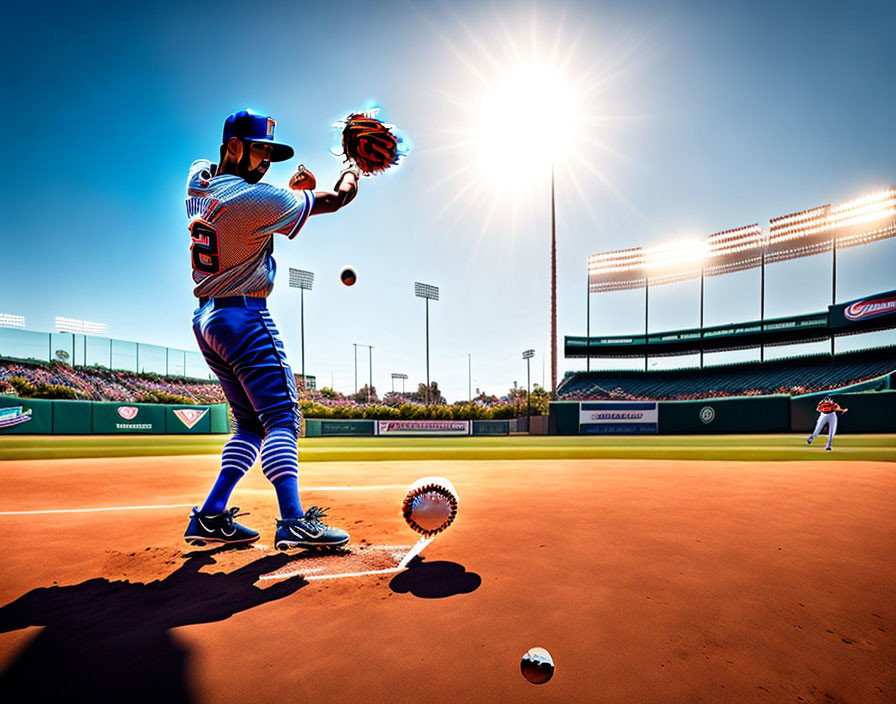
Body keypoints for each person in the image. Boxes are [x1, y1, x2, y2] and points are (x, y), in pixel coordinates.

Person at [183, 109, 360, 549]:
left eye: (269, 153)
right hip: (244, 316)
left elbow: (227, 182)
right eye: (259, 149)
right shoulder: (256, 200)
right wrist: (353, 172)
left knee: (249, 426)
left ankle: (210, 514)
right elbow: (336, 200)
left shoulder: (198, 180)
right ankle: (293, 520)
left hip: (206, 317)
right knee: (282, 418)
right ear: (234, 147)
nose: (265, 161)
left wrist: (284, 190)